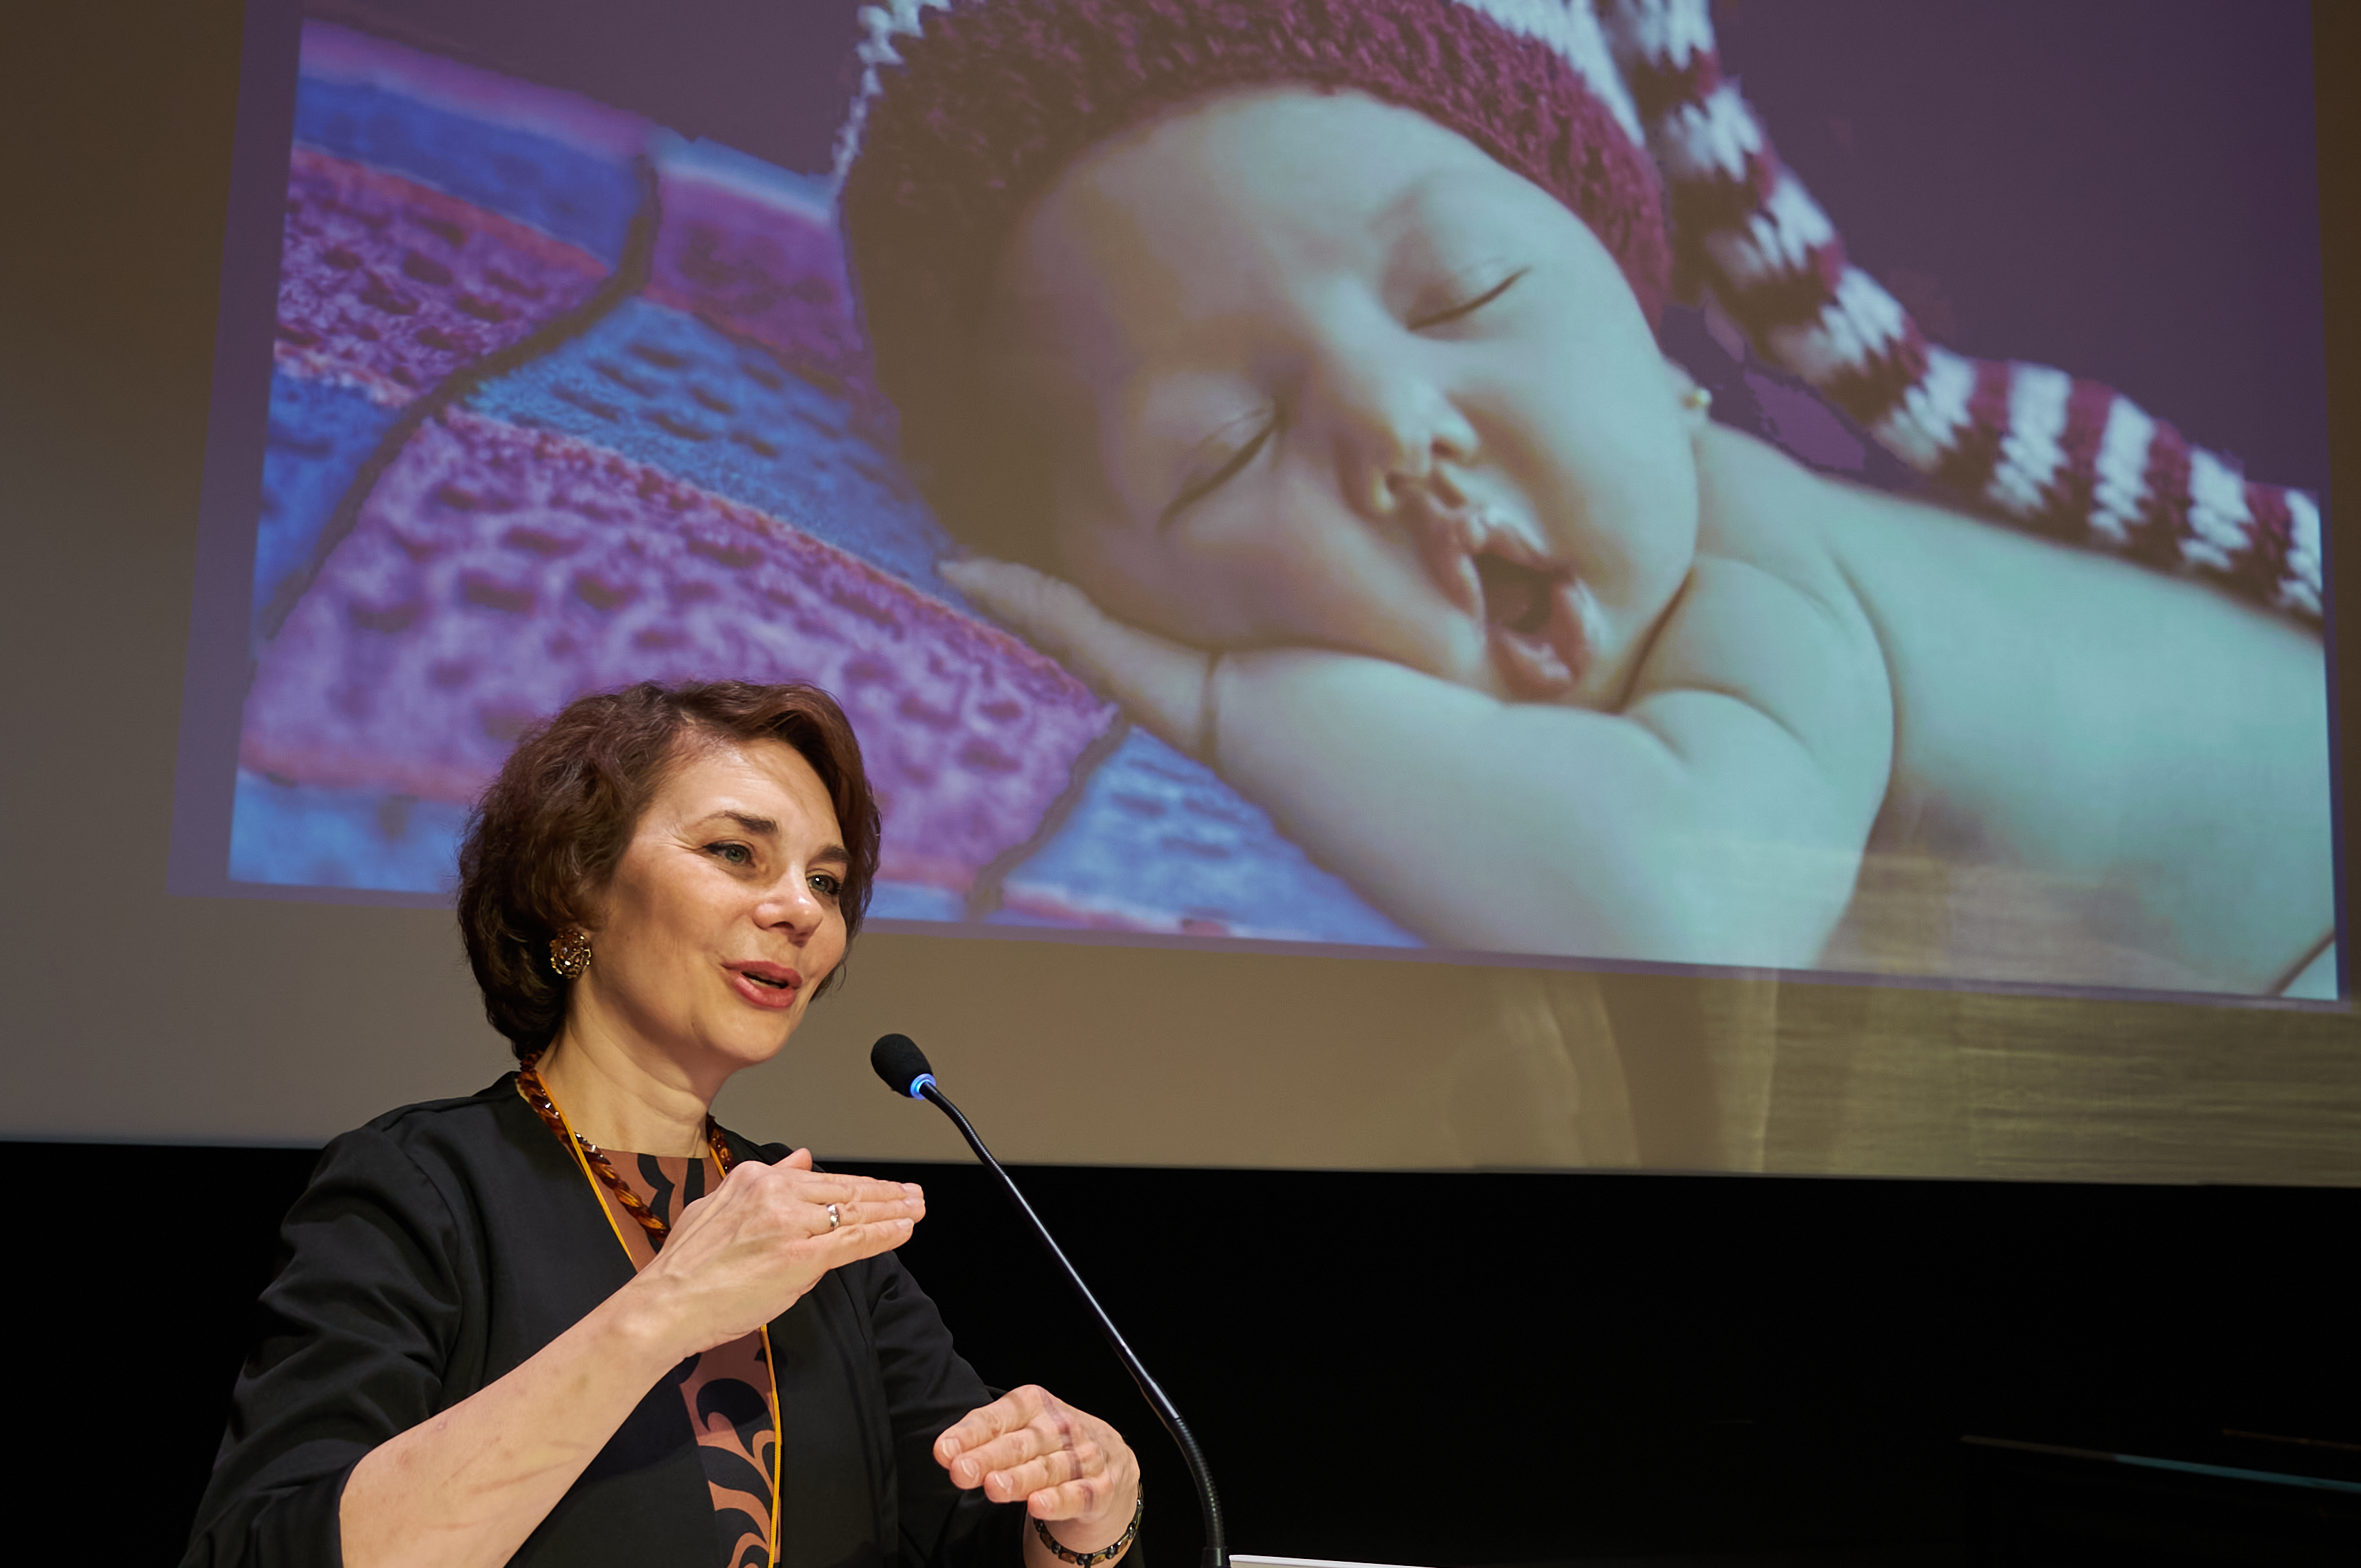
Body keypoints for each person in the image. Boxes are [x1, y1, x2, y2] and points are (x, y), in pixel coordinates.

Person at [835, 0, 2335, 998]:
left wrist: (1226, 699)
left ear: (1652, 347)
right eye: (1227, 447)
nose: (1396, 426)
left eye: (1467, 293)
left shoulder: (1765, 572)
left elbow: (1671, 908)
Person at [182, 680, 1146, 1568]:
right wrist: (661, 1312)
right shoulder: (422, 1186)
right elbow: (272, 1548)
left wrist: (1088, 1510)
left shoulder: (816, 1233)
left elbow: (982, 1542)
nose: (801, 912)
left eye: (825, 881)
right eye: (736, 852)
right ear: (577, 886)